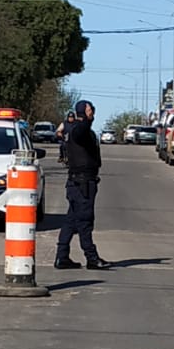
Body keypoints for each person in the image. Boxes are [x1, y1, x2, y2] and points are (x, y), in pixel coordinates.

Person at [55, 100, 113, 270]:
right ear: (84, 112)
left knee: (71, 221)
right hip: (82, 183)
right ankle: (92, 258)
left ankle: (62, 257)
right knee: (84, 220)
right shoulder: (79, 130)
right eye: (90, 110)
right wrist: (87, 119)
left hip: (77, 183)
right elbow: (82, 130)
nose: (92, 112)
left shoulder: (76, 130)